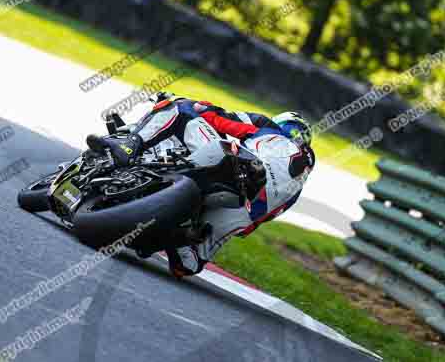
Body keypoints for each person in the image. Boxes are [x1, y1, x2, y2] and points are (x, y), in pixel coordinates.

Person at [87, 93, 315, 277]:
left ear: (283, 124)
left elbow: (214, 117)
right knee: (187, 265)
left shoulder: (269, 129)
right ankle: (177, 235)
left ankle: (128, 147)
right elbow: (250, 228)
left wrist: (199, 106)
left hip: (235, 164)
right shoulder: (296, 190)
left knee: (179, 108)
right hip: (240, 212)